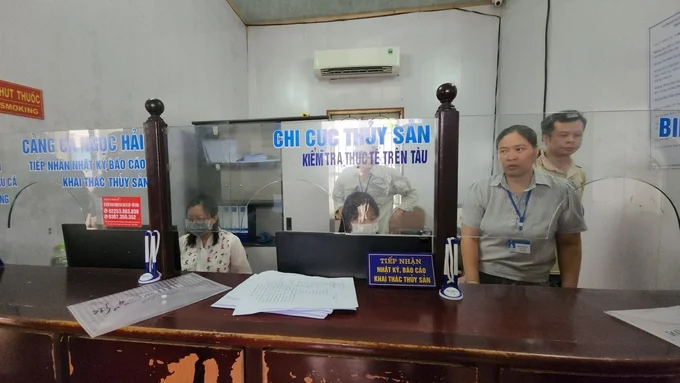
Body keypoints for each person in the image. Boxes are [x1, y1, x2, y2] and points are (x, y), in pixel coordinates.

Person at [460, 125, 587, 287]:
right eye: (503, 151)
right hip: (489, 278)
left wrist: (569, 292)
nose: (511, 157)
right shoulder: (481, 189)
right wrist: (472, 283)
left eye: (519, 149)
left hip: (536, 280)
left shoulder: (562, 191)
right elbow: (469, 238)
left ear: (536, 151)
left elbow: (570, 243)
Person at [536, 110, 587, 286]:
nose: (571, 140)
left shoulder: (579, 173)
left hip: (564, 261)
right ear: (545, 137)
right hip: (533, 262)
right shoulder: (531, 169)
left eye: (577, 135)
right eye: (563, 135)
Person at [332, 145, 418, 234]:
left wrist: (398, 212)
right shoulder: (346, 175)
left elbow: (412, 194)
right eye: (363, 152)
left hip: (380, 233)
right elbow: (336, 196)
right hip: (352, 234)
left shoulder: (388, 174)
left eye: (371, 152)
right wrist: (340, 209)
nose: (367, 156)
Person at [179, 194, 252, 274]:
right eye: (190, 219)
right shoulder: (182, 241)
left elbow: (243, 276)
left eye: (199, 219)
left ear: (213, 219)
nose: (194, 223)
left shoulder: (230, 241)